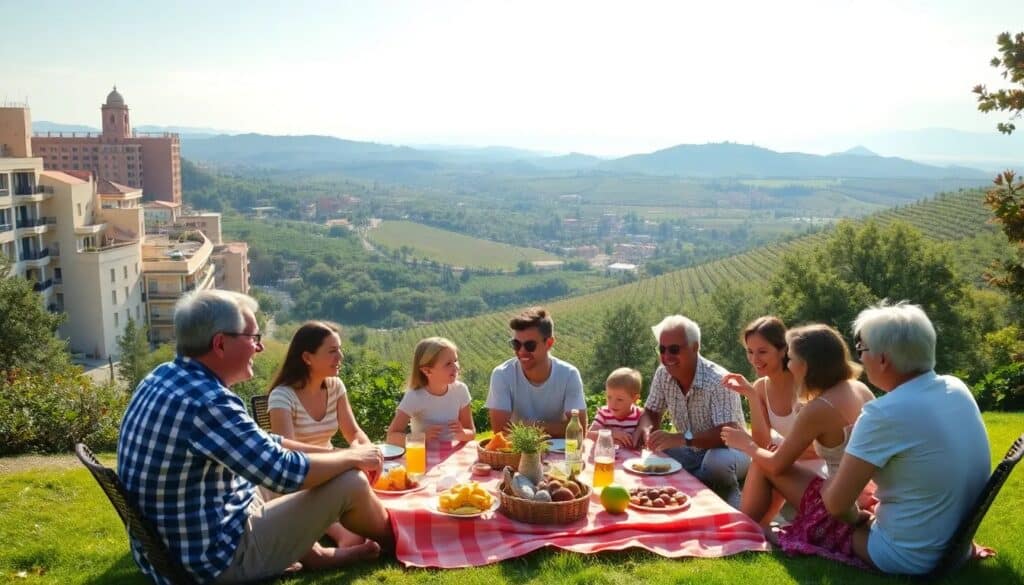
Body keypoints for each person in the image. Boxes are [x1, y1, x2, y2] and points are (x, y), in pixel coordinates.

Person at [118, 291, 393, 585]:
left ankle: (319, 556)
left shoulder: (164, 377)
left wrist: (339, 455)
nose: (259, 347)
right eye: (252, 337)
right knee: (351, 482)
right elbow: (284, 474)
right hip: (214, 561)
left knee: (298, 471)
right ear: (220, 343)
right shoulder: (208, 402)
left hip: (176, 548)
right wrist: (352, 457)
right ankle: (400, 541)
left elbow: (267, 446)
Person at [820, 302, 990, 574]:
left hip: (911, 556)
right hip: (955, 546)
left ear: (883, 359)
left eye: (862, 349)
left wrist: (860, 518)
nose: (860, 358)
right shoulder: (956, 388)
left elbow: (838, 505)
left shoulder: (883, 413)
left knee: (817, 500)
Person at [722, 324, 875, 565]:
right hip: (861, 491)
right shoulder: (859, 388)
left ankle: (747, 529)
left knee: (765, 463)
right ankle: (754, 527)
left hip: (840, 503)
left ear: (807, 364)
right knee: (767, 458)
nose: (789, 365)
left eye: (791, 358)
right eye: (749, 351)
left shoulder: (820, 406)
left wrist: (745, 445)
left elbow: (775, 464)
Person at [266, 320, 382, 563]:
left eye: (339, 349)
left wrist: (365, 451)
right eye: (332, 351)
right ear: (307, 357)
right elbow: (285, 447)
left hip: (333, 469)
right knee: (354, 537)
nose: (340, 356)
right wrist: (344, 456)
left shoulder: (335, 386)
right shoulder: (282, 396)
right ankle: (330, 550)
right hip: (300, 479)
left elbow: (354, 432)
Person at [632, 314, 750, 507]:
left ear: (695, 347)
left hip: (732, 451)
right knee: (656, 454)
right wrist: (645, 431)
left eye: (674, 349)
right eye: (662, 349)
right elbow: (651, 412)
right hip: (692, 450)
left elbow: (727, 433)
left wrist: (681, 438)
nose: (666, 356)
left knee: (716, 462)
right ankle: (698, 484)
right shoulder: (663, 374)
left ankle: (738, 510)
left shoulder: (718, 380)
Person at [721, 316, 822, 523]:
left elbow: (820, 446)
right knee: (762, 460)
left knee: (765, 461)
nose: (755, 359)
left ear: (783, 350)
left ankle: (753, 524)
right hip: (787, 463)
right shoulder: (760, 387)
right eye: (750, 351)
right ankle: (757, 524)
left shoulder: (806, 384)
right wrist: (751, 395)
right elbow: (761, 442)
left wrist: (779, 452)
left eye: (762, 351)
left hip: (820, 467)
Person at [485, 306, 587, 438]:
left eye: (530, 345)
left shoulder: (569, 375)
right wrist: (555, 428)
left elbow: (579, 430)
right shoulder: (502, 374)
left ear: (549, 343)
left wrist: (531, 426)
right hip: (517, 453)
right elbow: (501, 431)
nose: (521, 351)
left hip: (559, 453)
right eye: (516, 344)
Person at [386, 336, 475, 445]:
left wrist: (463, 434)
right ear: (427, 371)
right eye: (448, 364)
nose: (456, 367)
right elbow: (391, 436)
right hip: (423, 457)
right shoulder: (414, 396)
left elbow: (471, 432)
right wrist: (421, 438)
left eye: (455, 360)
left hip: (453, 457)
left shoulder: (461, 390)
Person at [587, 367, 643, 447]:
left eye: (619, 399)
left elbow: (645, 440)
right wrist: (611, 433)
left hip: (632, 458)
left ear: (634, 399)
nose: (613, 403)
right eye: (609, 397)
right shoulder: (604, 413)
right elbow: (589, 434)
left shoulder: (640, 416)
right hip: (606, 456)